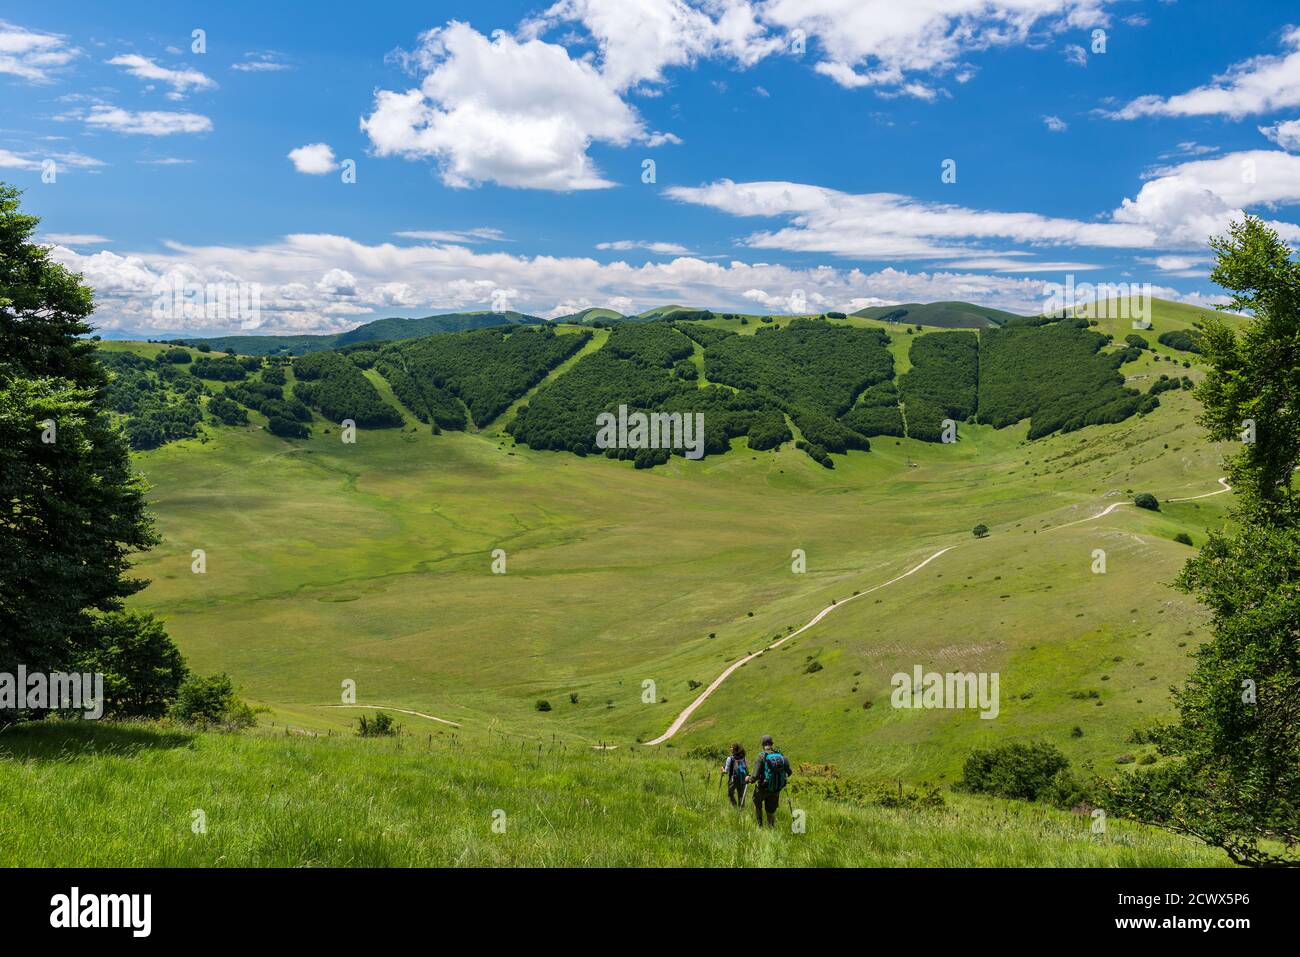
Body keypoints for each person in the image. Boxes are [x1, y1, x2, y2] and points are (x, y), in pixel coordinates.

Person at [745, 734, 792, 827]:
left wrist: (748, 779)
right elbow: (789, 772)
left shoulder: (761, 757)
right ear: (772, 744)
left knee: (758, 806)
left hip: (762, 788)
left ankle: (760, 825)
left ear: (763, 745)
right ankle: (771, 827)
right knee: (771, 811)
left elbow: (754, 777)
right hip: (775, 789)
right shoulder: (781, 756)